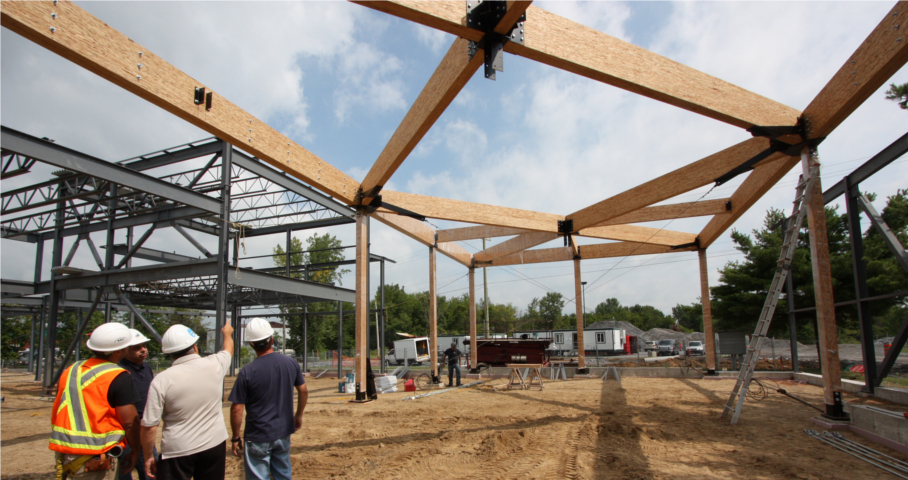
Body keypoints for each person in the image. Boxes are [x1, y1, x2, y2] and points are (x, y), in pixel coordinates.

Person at [140, 322, 234, 480]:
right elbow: (228, 349)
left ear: (169, 353)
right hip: (213, 444)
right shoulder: (215, 364)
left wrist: (148, 455)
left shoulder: (161, 380)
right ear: (195, 347)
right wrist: (227, 334)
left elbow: (149, 426)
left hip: (177, 450)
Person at [49, 322, 142, 480]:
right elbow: (129, 422)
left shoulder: (72, 370)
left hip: (65, 453)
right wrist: (136, 451)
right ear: (119, 350)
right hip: (95, 457)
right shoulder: (118, 376)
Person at [228, 318, 307, 480]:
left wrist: (235, 436)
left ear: (250, 344)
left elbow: (237, 408)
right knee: (283, 475)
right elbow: (303, 390)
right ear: (271, 339)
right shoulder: (290, 363)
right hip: (283, 431)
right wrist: (298, 416)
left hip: (258, 434)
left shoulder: (247, 372)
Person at [118, 329, 155, 480]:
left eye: (144, 346)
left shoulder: (147, 368)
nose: (143, 350)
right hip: (125, 431)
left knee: (152, 470)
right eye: (137, 348)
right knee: (124, 471)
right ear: (124, 350)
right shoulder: (119, 371)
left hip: (145, 427)